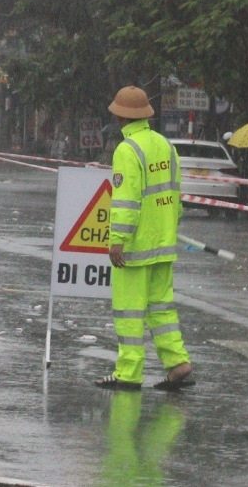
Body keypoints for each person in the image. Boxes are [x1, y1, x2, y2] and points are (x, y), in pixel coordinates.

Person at [98, 86, 194, 392]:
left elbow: (126, 201)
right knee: (161, 309)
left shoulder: (127, 150)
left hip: (135, 248)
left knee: (129, 311)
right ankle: (178, 363)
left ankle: (128, 372)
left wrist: (117, 241)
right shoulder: (165, 146)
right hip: (163, 244)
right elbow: (175, 196)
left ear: (120, 116)